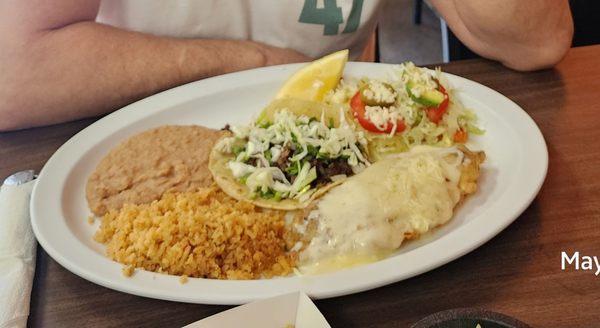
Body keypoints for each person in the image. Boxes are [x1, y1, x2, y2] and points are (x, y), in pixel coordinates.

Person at [0, 0, 573, 131]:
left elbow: (538, 39)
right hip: (136, 143)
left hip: (329, 167)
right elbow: (14, 71)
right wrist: (259, 63)